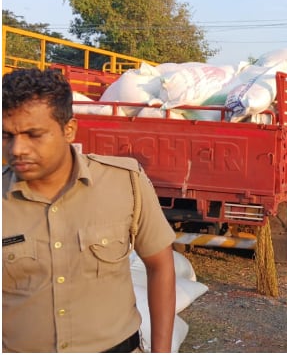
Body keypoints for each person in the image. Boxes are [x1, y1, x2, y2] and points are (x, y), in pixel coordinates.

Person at [2, 68, 176, 353]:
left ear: (69, 130)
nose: (18, 148)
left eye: (34, 135)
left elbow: (160, 265)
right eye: (7, 135)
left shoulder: (125, 182)